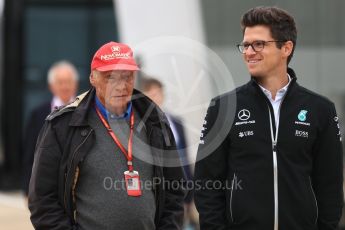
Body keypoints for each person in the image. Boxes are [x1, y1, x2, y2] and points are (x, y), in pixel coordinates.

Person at [194, 6, 343, 230]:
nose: (249, 52)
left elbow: (330, 185)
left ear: (286, 48)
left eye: (259, 44)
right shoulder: (222, 108)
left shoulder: (321, 110)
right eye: (245, 45)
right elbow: (206, 184)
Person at [28, 41, 185, 229]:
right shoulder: (62, 126)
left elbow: (174, 192)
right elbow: (43, 200)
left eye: (127, 77)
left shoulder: (155, 120)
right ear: (93, 78)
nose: (120, 86)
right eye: (111, 77)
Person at [142, 78, 198, 229]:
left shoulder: (176, 122)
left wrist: (190, 193)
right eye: (151, 94)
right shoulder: (141, 125)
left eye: (158, 93)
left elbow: (185, 158)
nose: (155, 97)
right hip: (158, 190)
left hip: (181, 188)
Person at [22, 60, 79, 196]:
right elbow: (30, 153)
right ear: (51, 86)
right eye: (60, 82)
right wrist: (27, 189)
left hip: (78, 188)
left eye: (68, 82)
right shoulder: (38, 114)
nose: (65, 86)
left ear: (75, 84)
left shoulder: (86, 111)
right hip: (46, 188)